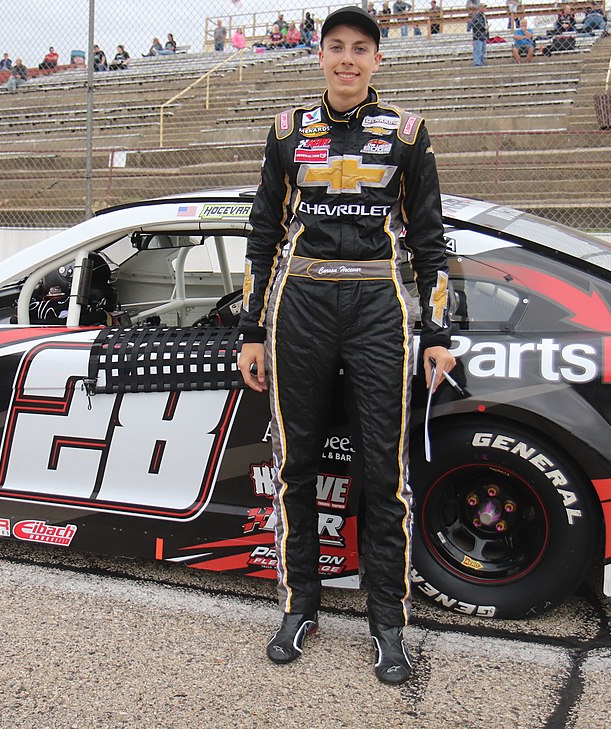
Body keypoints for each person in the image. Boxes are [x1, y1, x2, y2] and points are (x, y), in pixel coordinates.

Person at [238, 5, 455, 687]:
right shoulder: (286, 131)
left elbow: (430, 240)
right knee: (296, 465)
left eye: (361, 48)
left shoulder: (408, 133)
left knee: (384, 473)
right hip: (299, 306)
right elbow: (262, 235)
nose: (347, 59)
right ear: (320, 55)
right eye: (336, 47)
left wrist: (438, 333)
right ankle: (299, 605)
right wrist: (251, 329)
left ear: (377, 60)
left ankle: (387, 622)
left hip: (378, 308)